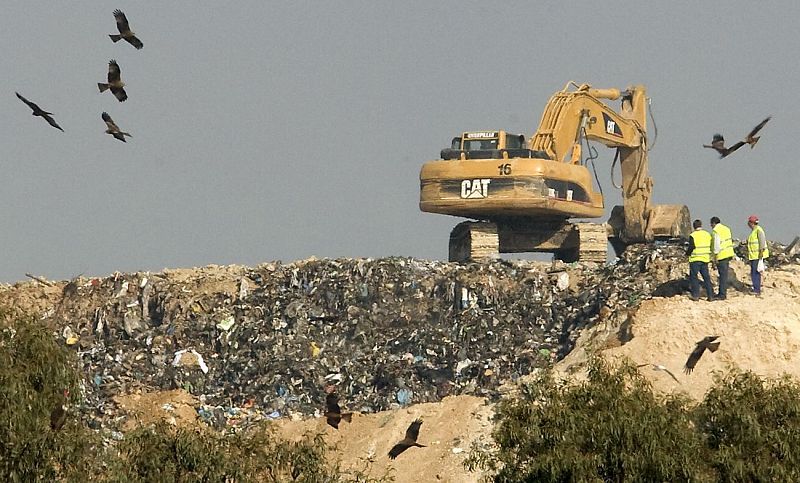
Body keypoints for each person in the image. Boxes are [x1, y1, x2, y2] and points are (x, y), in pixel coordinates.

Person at [687, 219, 715, 301]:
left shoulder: (693, 235)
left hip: (695, 259)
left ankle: (696, 295)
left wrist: (687, 253)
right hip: (705, 259)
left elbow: (691, 247)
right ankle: (711, 296)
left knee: (694, 277)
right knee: (706, 278)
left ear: (694, 226)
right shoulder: (707, 234)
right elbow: (711, 245)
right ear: (701, 225)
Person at [710, 216, 734, 300]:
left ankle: (722, 294)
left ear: (713, 223)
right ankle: (722, 293)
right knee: (724, 275)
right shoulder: (726, 229)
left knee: (722, 276)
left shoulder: (716, 231)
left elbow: (716, 245)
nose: (711, 226)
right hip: (728, 254)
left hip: (721, 255)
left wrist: (715, 258)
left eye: (711, 224)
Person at [746, 215, 769, 296]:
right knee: (754, 272)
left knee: (755, 272)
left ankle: (756, 289)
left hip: (757, 255)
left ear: (751, 223)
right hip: (753, 255)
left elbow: (761, 241)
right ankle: (756, 288)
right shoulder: (754, 231)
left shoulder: (758, 230)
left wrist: (761, 253)